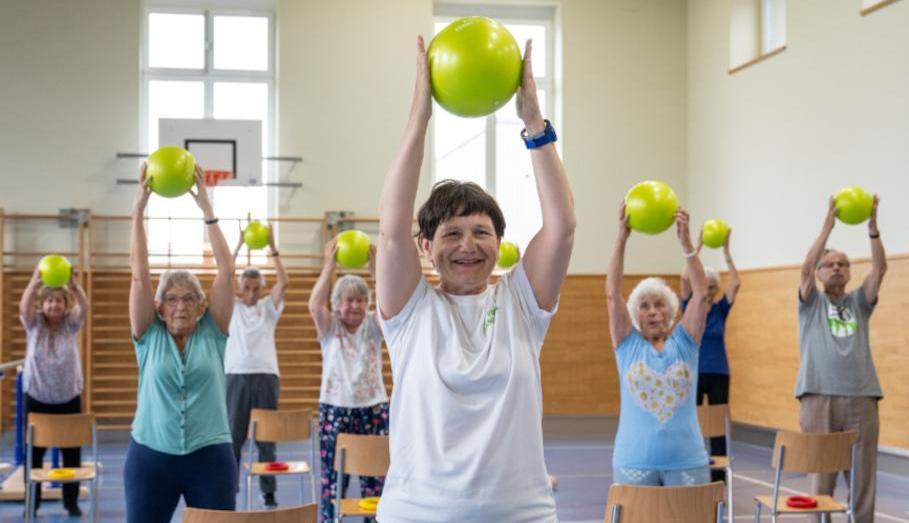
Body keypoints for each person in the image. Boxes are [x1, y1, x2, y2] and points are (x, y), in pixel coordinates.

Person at [374, 36, 575, 521]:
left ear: (499, 243)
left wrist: (534, 123)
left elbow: (563, 226)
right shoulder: (409, 311)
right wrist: (419, 117)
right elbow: (391, 227)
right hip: (417, 512)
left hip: (519, 513)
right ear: (427, 246)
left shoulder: (522, 304)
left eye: (481, 232)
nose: (468, 245)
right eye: (452, 233)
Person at [125, 163, 236, 523]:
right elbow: (140, 277)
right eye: (171, 299)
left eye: (189, 298)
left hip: (211, 457)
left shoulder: (212, 329)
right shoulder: (149, 334)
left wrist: (207, 210)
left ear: (202, 305)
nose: (180, 306)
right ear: (158, 308)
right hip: (150, 458)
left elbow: (226, 271)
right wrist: (139, 209)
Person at [605, 203, 711, 486]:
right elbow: (613, 294)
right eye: (645, 306)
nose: (653, 311)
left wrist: (687, 243)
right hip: (633, 463)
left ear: (671, 311)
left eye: (659, 305)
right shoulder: (627, 345)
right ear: (635, 314)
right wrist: (621, 239)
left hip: (688, 463)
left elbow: (701, 293)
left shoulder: (685, 343)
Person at [797, 196, 885, 523]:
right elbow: (804, 268)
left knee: (863, 479)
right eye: (830, 263)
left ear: (849, 272)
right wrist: (827, 226)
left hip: (862, 397)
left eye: (843, 263)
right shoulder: (810, 304)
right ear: (819, 273)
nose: (837, 267)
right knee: (822, 478)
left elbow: (880, 269)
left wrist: (873, 230)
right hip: (818, 397)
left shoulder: (860, 302)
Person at [309, 238, 388, 523]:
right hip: (335, 409)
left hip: (373, 409)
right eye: (348, 300)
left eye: (360, 299)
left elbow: (390, 301)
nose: (355, 305)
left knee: (375, 479)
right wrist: (329, 264)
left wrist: (376, 269)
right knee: (333, 480)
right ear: (337, 304)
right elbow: (315, 305)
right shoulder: (330, 328)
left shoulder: (373, 325)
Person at [225, 224, 288, 509]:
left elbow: (283, 281)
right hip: (236, 376)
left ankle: (269, 492)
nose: (251, 293)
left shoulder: (268, 309)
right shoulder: (233, 309)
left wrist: (272, 246)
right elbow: (224, 275)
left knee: (266, 439)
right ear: (239, 289)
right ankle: (229, 487)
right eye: (246, 288)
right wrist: (238, 245)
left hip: (265, 376)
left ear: (261, 289)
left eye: (255, 288)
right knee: (234, 437)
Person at [19, 265, 88, 517]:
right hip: (37, 398)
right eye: (49, 300)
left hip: (68, 398)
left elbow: (84, 307)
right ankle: (32, 504)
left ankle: (71, 502)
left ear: (64, 303)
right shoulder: (33, 324)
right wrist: (34, 281)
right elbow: (24, 308)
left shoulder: (71, 324)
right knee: (33, 456)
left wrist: (75, 286)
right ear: (42, 304)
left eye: (58, 300)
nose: (54, 305)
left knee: (72, 455)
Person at [679, 229, 740, 481]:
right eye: (704, 284)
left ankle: (718, 477)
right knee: (690, 423)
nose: (709, 289)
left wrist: (726, 252)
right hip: (692, 372)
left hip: (718, 373)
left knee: (717, 426)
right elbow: (684, 277)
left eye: (712, 285)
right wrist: (699, 243)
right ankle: (688, 469)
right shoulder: (688, 306)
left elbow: (735, 283)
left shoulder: (720, 309)